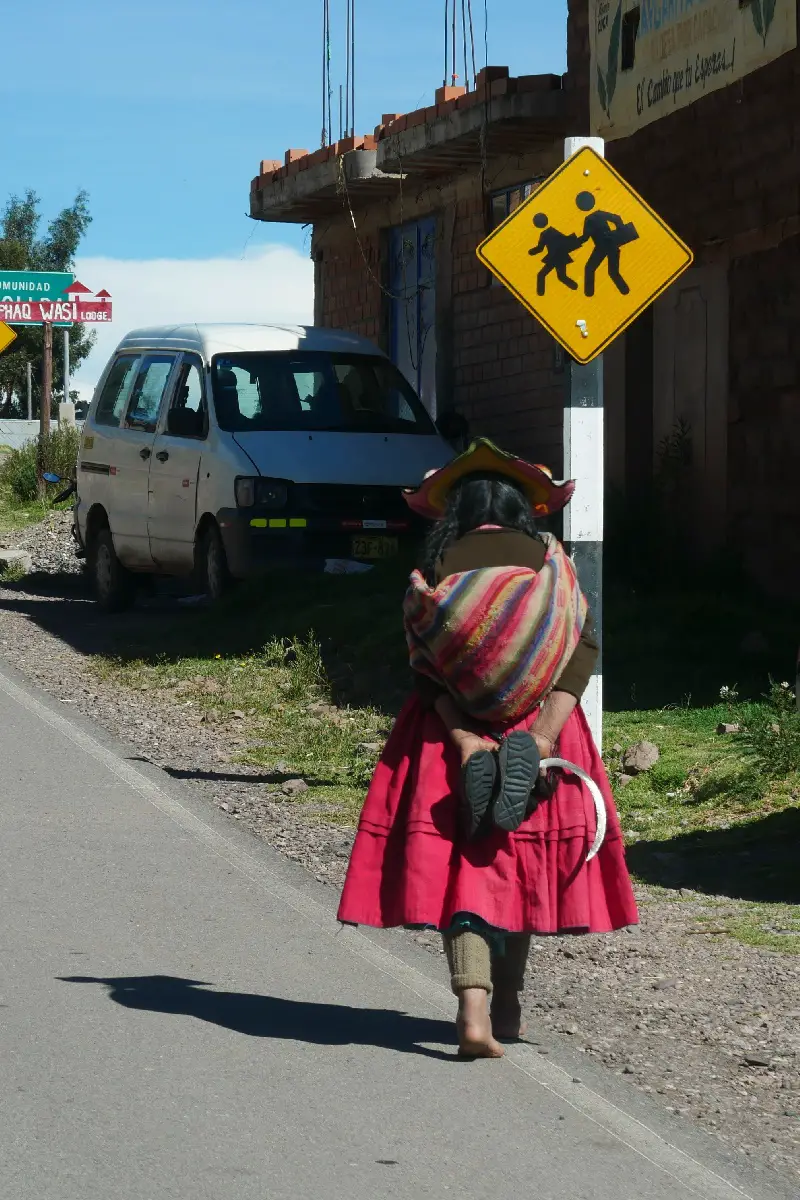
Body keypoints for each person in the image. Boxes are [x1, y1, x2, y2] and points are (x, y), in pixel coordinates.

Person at [337, 439, 639, 1058]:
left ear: (457, 511)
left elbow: (423, 669)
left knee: (465, 864)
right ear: (521, 508)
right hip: (539, 727)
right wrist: (543, 732)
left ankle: (470, 1006)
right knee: (519, 858)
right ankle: (508, 1005)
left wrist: (465, 734)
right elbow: (584, 647)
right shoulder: (553, 568)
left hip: (454, 731)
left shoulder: (435, 576)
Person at [528, 212, 582, 295]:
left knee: (541, 275)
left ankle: (540, 294)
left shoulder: (544, 234)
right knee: (561, 277)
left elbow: (540, 248)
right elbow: (564, 240)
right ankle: (575, 287)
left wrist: (531, 252)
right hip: (560, 257)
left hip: (554, 258)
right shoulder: (553, 230)